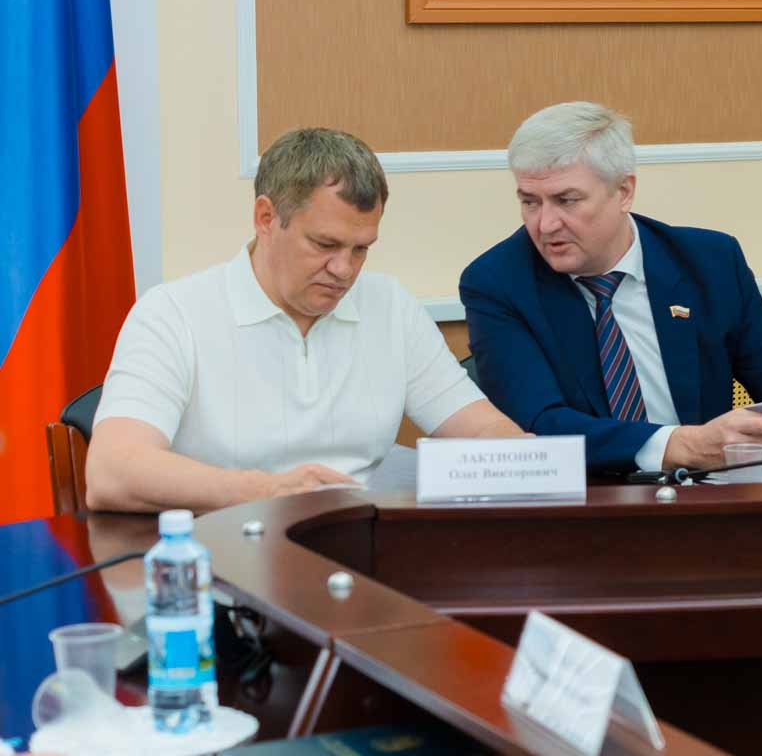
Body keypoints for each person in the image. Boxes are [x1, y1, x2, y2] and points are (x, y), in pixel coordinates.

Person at [85, 128, 525, 513]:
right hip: (225, 551)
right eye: (324, 245)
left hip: (360, 550)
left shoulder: (389, 305)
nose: (344, 270)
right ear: (266, 219)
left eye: (361, 249)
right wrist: (266, 491)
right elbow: (111, 471)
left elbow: (481, 426)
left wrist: (523, 459)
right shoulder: (173, 313)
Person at [460, 102, 762, 472]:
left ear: (623, 192)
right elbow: (538, 424)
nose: (545, 224)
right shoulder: (498, 283)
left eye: (566, 200)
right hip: (584, 501)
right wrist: (676, 445)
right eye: (530, 202)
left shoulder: (709, 262)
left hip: (709, 499)